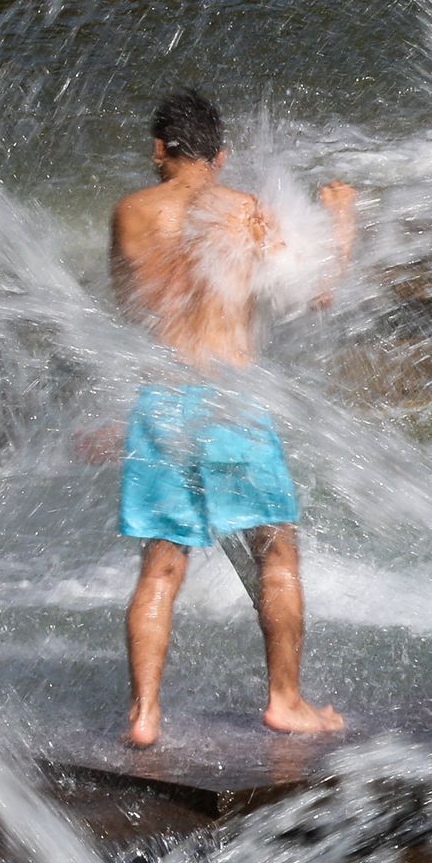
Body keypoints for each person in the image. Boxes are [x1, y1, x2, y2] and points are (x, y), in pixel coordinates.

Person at [107, 88, 354, 747]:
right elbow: (317, 292)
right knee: (276, 554)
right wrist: (342, 221)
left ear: (159, 149)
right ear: (221, 155)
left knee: (160, 567)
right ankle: (285, 701)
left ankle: (144, 715)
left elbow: (129, 306)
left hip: (162, 401)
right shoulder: (244, 211)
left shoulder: (129, 213)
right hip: (231, 400)